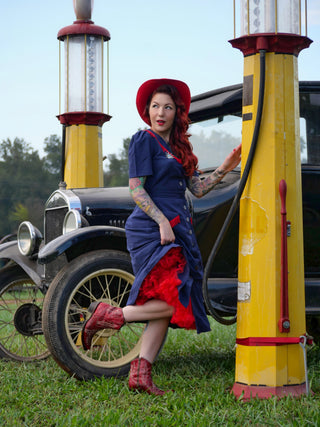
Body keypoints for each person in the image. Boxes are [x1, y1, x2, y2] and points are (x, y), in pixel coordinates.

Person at [82, 78, 242, 395]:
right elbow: (136, 189)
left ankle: (140, 375)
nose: (160, 112)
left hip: (177, 227)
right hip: (151, 228)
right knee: (176, 299)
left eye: (167, 107)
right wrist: (161, 222)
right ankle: (111, 314)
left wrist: (226, 166)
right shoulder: (144, 141)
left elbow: (198, 189)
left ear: (176, 113)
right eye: (155, 106)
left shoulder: (180, 148)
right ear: (148, 110)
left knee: (164, 302)